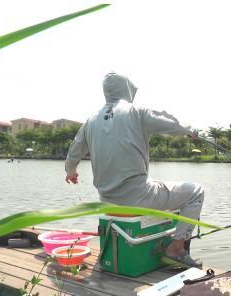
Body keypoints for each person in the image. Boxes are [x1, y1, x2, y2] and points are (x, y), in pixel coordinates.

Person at [65, 72, 204, 268]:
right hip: (138, 198)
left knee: (157, 185)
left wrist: (71, 171)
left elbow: (74, 151)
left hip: (107, 202)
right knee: (195, 192)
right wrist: (189, 130)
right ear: (127, 89)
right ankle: (176, 248)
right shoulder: (136, 111)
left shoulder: (91, 120)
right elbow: (170, 123)